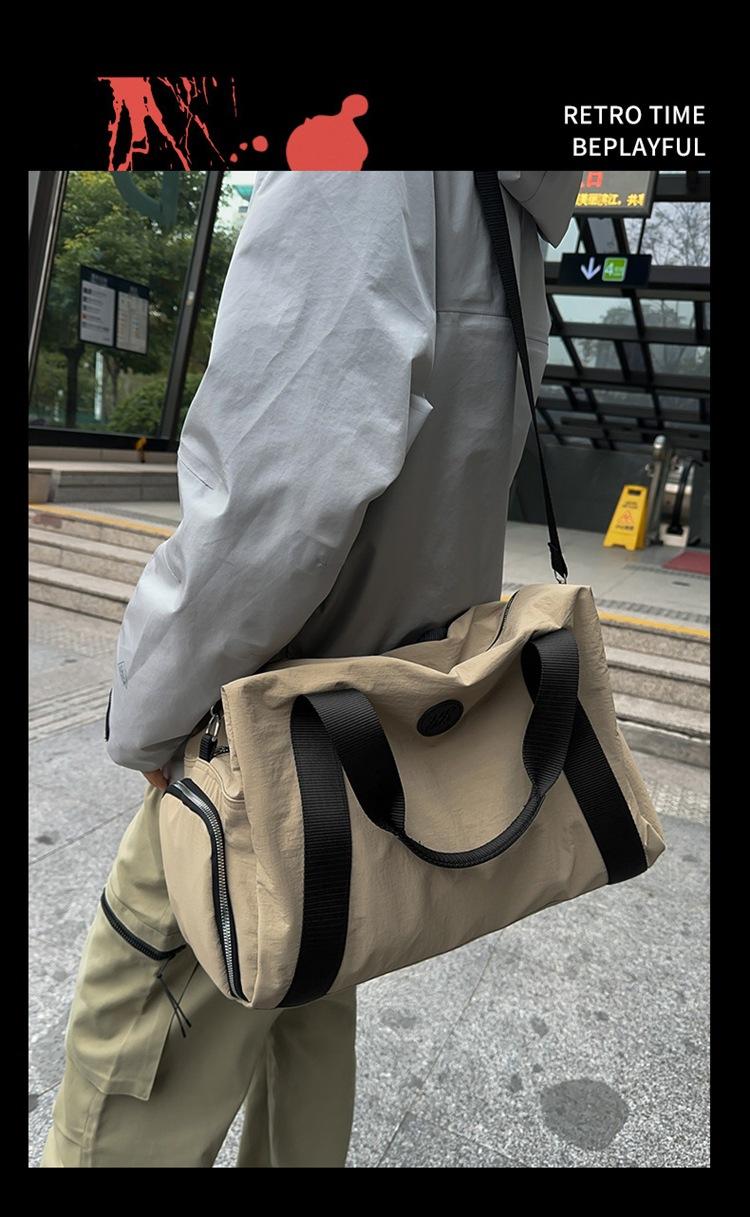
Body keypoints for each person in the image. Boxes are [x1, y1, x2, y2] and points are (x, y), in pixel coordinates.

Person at [40, 169, 580, 1168]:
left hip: (252, 762)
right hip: (363, 762)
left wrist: (147, 716)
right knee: (309, 1041)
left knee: (126, 1094)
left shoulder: (364, 171)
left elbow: (275, 498)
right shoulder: (505, 215)